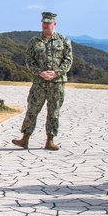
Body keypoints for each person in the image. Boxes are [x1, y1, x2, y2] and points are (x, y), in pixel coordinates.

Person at [11, 12, 73, 151]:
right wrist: (39, 72)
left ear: (54, 24)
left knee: (54, 111)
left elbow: (68, 60)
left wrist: (56, 73)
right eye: (44, 23)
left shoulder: (63, 40)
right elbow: (29, 60)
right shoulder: (34, 41)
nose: (45, 26)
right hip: (39, 82)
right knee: (32, 110)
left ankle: (50, 140)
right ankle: (25, 138)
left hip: (57, 83)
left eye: (48, 23)